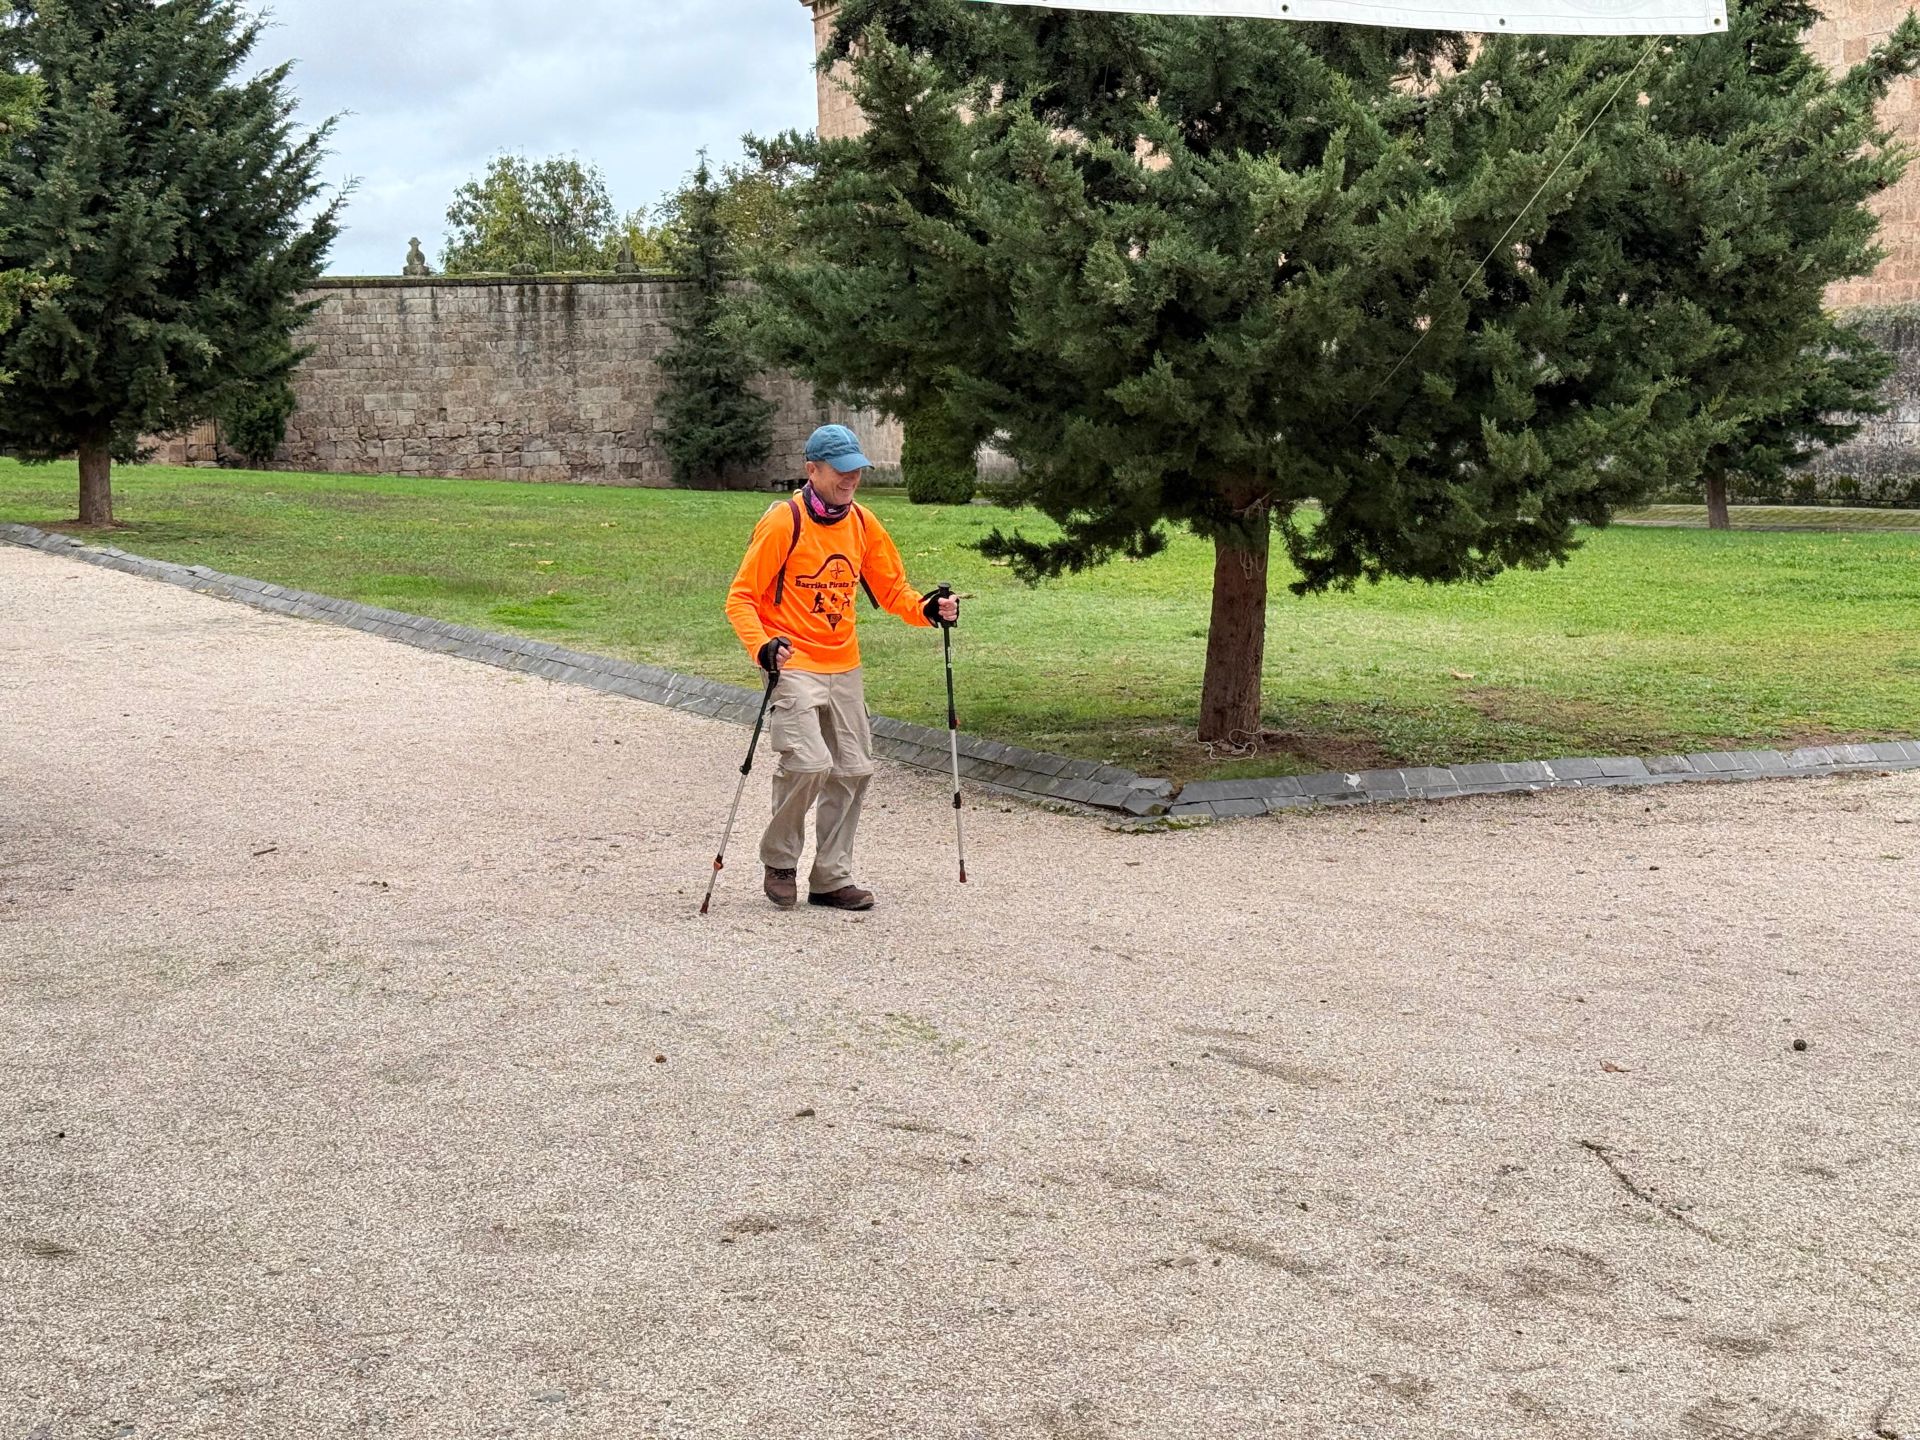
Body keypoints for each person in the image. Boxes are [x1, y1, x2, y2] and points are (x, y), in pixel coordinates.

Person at [725, 423, 960, 911]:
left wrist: (928, 609)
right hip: (793, 662)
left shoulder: (863, 522)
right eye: (842, 470)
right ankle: (780, 859)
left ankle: (831, 878)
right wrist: (762, 647)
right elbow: (741, 598)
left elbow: (893, 590)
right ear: (813, 470)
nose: (852, 479)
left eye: (857, 470)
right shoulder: (783, 523)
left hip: (844, 664)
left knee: (854, 769)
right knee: (809, 762)